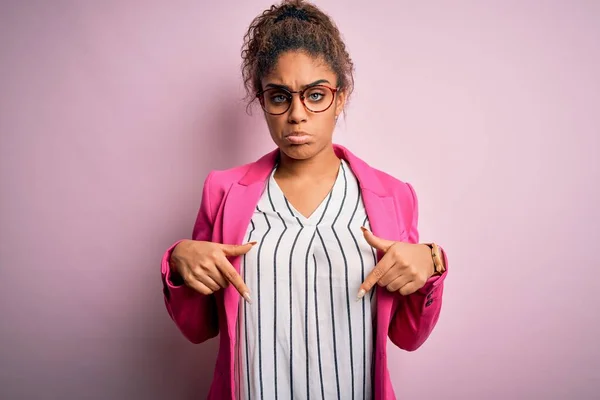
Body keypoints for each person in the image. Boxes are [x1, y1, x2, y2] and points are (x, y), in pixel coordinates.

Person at [161, 1, 449, 399]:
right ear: (262, 101)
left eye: (316, 95)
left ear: (340, 97)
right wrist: (178, 261)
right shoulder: (223, 191)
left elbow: (408, 335)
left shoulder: (394, 196)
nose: (297, 114)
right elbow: (197, 329)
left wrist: (430, 263)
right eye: (280, 97)